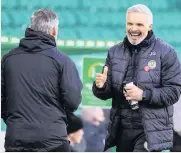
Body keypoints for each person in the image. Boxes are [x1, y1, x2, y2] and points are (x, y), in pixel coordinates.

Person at [92, 4, 181, 152]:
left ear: (150, 26)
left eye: (139, 24)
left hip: (149, 131)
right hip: (122, 129)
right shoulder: (114, 52)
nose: (133, 29)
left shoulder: (166, 52)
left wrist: (144, 95)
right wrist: (101, 87)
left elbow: (173, 92)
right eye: (130, 24)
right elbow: (107, 92)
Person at [1, 9, 83, 152]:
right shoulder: (63, 61)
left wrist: (16, 123)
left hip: (17, 140)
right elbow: (73, 102)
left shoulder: (8, 59)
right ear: (54, 31)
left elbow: (2, 103)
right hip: (53, 141)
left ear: (30, 28)